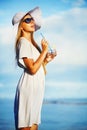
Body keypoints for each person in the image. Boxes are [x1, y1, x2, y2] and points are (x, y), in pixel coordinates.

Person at [12, 7, 57, 130]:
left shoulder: (32, 44)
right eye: (27, 20)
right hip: (29, 88)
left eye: (32, 19)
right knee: (26, 126)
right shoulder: (23, 42)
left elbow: (37, 69)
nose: (32, 22)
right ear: (21, 26)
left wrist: (46, 60)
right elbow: (32, 69)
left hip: (36, 89)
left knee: (33, 126)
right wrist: (44, 52)